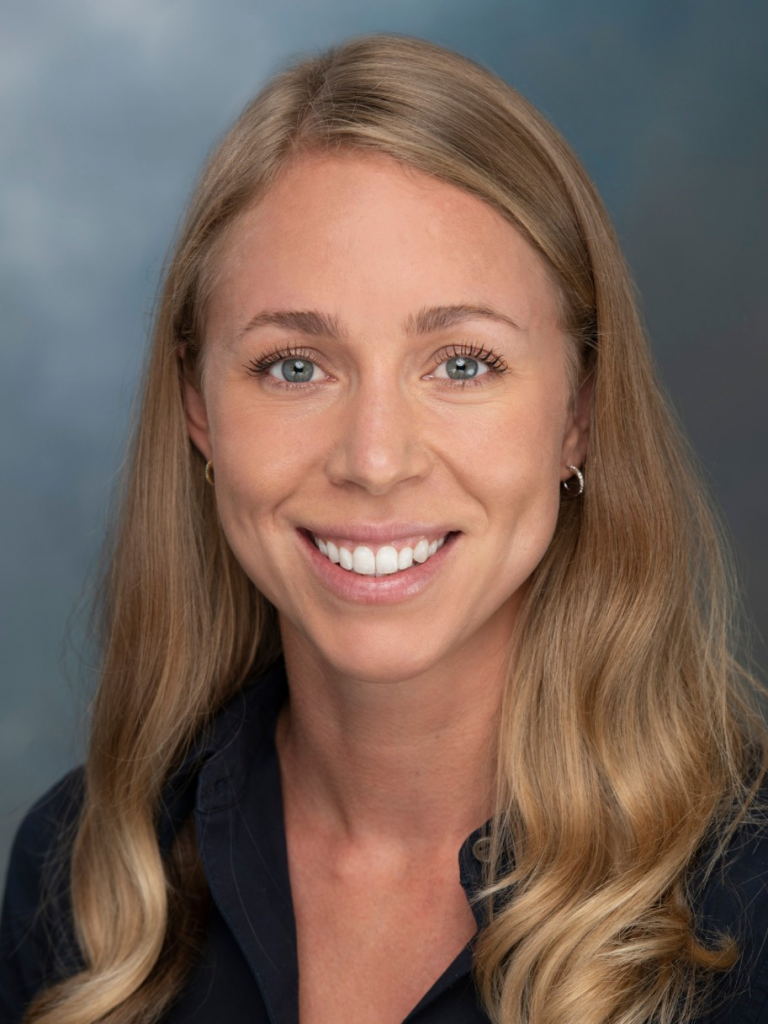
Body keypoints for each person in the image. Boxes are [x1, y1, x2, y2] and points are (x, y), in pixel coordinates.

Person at [2, 33, 767, 1024]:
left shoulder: (749, 897)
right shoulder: (83, 887)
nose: (373, 458)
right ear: (198, 407)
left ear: (579, 411)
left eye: (462, 364)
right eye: (294, 366)